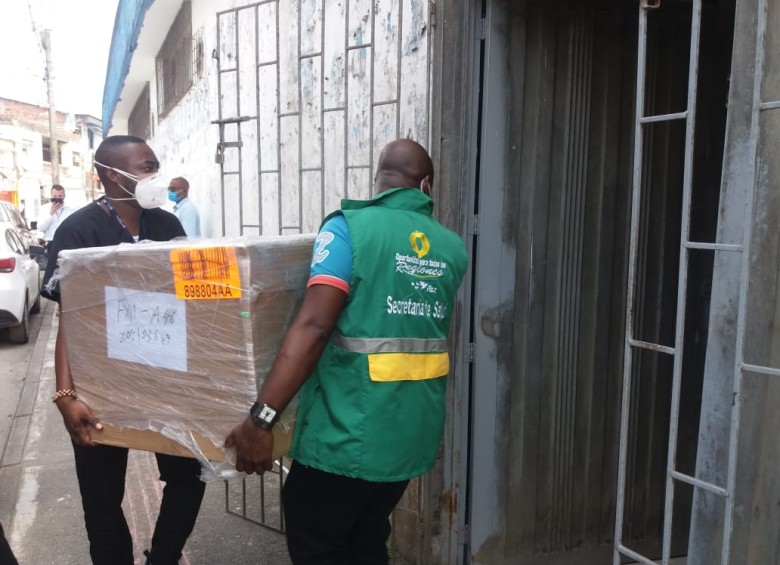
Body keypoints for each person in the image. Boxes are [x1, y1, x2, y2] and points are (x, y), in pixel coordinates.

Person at [226, 139, 469, 564]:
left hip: (349, 433)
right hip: (412, 432)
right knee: (367, 537)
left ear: (379, 181)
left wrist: (262, 417)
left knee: (318, 537)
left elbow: (315, 325)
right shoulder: (451, 248)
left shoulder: (347, 229)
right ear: (426, 185)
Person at [40, 135, 205, 565]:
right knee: (101, 498)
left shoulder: (167, 226)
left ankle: (163, 556)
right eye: (147, 166)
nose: (156, 175)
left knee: (189, 476)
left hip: (166, 382)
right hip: (100, 387)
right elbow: (70, 318)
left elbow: (190, 304)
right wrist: (65, 395)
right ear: (113, 174)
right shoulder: (78, 231)